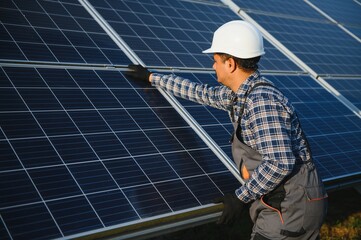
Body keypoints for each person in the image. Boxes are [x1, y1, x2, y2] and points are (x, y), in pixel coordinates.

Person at [125, 20, 328, 240]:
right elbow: (201, 93)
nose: (213, 66)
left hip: (290, 209)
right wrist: (153, 78)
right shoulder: (242, 94)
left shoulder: (261, 102)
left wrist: (240, 197)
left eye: (215, 61)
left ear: (230, 63)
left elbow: (280, 162)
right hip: (285, 204)